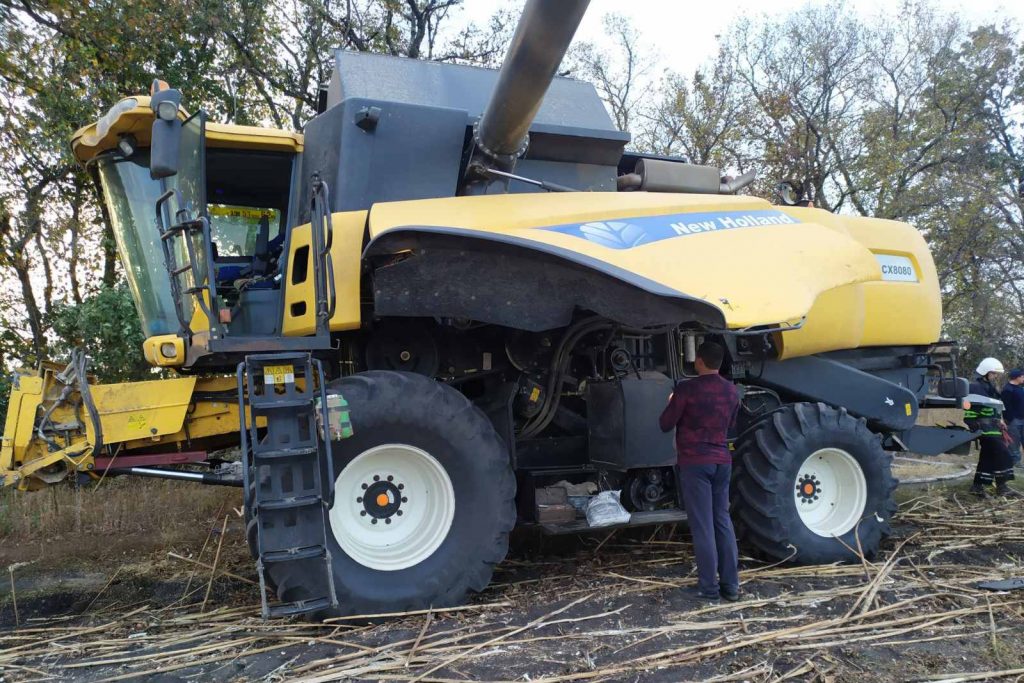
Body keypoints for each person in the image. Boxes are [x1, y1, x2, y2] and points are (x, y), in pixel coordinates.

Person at [659, 341, 741, 601]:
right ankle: (731, 587)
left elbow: (665, 423)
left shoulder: (686, 389)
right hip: (722, 461)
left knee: (703, 526)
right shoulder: (732, 391)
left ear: (699, 361)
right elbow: (732, 423)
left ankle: (709, 589)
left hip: (695, 463)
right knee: (722, 522)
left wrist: (671, 401)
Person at [966, 357, 1016, 497]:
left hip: (994, 427)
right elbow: (970, 408)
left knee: (988, 456)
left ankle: (977, 486)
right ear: (985, 372)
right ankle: (1002, 487)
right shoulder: (975, 386)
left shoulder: (990, 386)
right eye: (993, 373)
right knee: (1003, 454)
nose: (995, 376)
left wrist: (1000, 421)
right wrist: (974, 425)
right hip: (983, 428)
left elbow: (995, 406)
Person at [1001, 369, 1024, 467]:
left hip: (1022, 419)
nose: (1023, 378)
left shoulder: (1020, 388)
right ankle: (1016, 461)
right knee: (1014, 441)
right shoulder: (1008, 389)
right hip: (1014, 420)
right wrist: (1009, 420)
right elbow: (1005, 406)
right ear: (1017, 377)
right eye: (1022, 376)